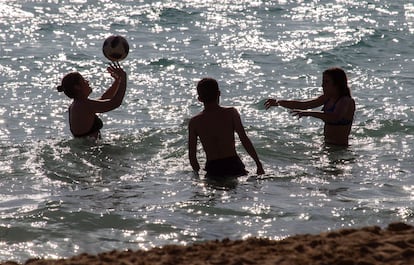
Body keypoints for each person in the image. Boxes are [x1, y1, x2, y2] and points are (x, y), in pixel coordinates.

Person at [188, 77, 265, 178]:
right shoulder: (231, 113)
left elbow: (192, 155)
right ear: (219, 93)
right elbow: (244, 139)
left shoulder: (195, 122)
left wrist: (197, 176)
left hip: (213, 168)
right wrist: (258, 164)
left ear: (199, 99)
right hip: (233, 164)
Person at [264, 67, 355, 146]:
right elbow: (303, 105)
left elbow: (334, 117)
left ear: (337, 84)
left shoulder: (346, 101)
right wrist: (278, 102)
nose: (322, 85)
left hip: (341, 150)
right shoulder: (327, 98)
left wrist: (309, 113)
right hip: (327, 146)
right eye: (323, 81)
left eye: (326, 82)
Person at [57, 62, 127, 139]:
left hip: (85, 148)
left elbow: (104, 99)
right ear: (77, 87)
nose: (87, 82)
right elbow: (115, 103)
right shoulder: (83, 105)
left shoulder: (79, 104)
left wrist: (117, 81)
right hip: (90, 149)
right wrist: (123, 78)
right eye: (84, 81)